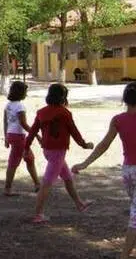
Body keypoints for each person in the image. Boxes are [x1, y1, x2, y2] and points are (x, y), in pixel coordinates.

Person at [72, 82, 136, 259]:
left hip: (128, 172)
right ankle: (124, 255)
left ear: (125, 100)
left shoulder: (117, 120)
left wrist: (85, 163)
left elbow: (103, 145)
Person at [25, 83, 95, 223]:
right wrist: (84, 145)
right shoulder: (65, 113)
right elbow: (74, 132)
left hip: (48, 151)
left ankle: (79, 204)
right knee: (46, 184)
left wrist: (26, 147)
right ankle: (38, 215)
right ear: (63, 97)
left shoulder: (41, 112)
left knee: (67, 178)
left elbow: (32, 131)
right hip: (58, 152)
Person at [3, 81, 41, 196]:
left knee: (29, 158)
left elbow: (5, 122)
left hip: (11, 134)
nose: (26, 94)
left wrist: (6, 137)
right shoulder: (20, 106)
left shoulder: (8, 105)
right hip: (19, 136)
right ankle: (8, 188)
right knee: (15, 161)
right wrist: (36, 135)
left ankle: (37, 184)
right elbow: (23, 124)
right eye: (25, 91)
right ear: (20, 93)